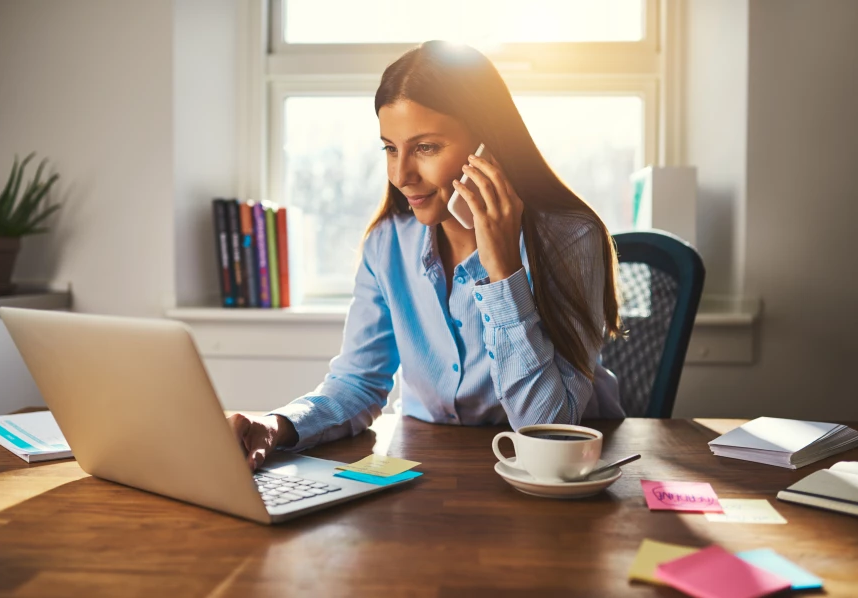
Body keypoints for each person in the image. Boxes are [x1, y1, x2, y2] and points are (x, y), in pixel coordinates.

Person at [228, 41, 625, 470]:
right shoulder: (387, 243)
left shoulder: (569, 239)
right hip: (426, 469)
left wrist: (503, 272)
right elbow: (358, 383)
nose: (401, 175)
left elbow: (548, 428)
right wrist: (276, 425)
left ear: (488, 147)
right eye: (390, 148)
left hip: (559, 479)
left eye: (426, 148)